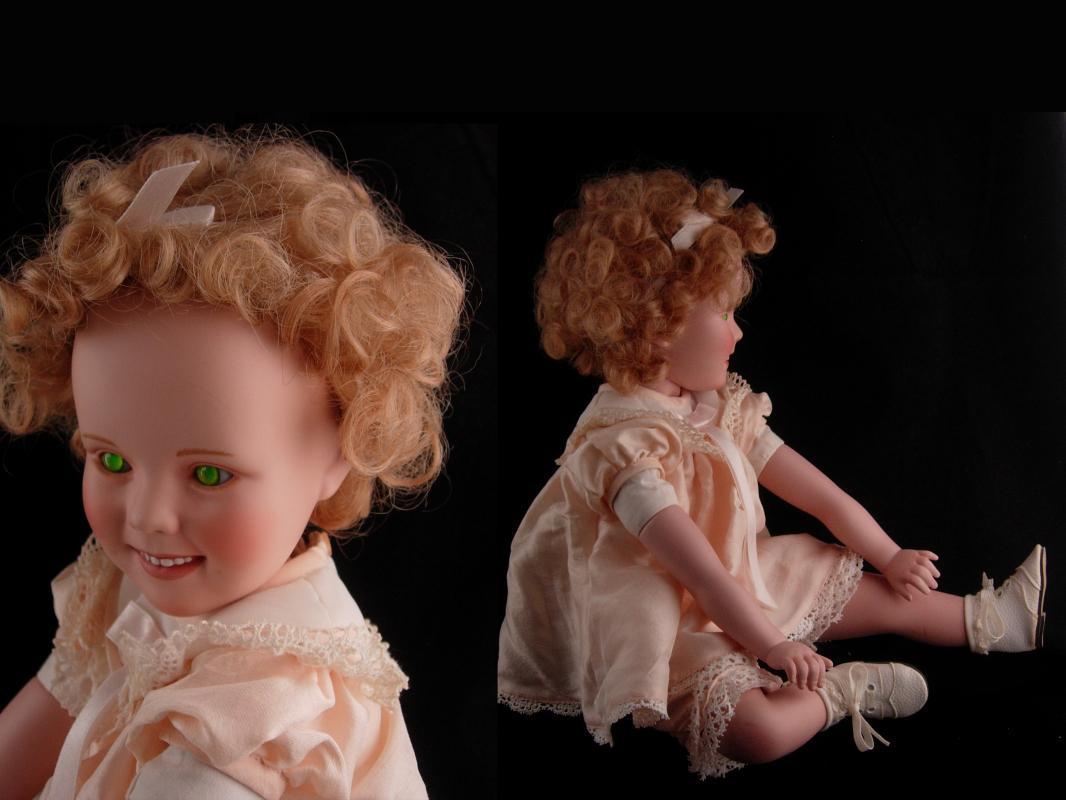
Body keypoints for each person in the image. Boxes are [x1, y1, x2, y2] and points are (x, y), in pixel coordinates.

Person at [497, 168, 1047, 779]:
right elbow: (701, 576)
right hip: (678, 623)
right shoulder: (623, 451)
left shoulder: (717, 406)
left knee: (882, 593)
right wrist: (773, 646)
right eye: (725, 313)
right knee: (755, 732)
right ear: (659, 327)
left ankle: (991, 620)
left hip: (749, 577)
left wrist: (889, 554)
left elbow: (821, 495)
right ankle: (837, 695)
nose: (738, 332)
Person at [0, 128, 465, 798]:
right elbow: (39, 725)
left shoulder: (252, 720)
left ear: (344, 448)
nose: (148, 517)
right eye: (113, 459)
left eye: (210, 474)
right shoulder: (138, 594)